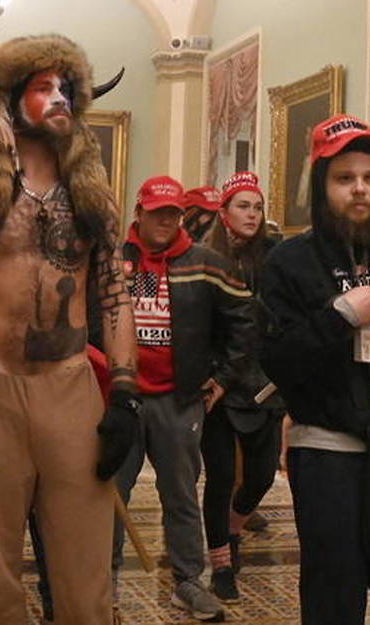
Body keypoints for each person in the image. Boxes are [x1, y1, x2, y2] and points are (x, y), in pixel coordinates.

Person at [0, 12, 137, 623]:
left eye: (67, 87)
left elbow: (114, 294)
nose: (59, 97)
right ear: (12, 101)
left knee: (84, 578)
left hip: (71, 388)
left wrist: (124, 396)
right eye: (44, 86)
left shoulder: (93, 196)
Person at [259, 114, 370, 625]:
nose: (359, 190)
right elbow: (277, 359)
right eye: (344, 179)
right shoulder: (288, 263)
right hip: (328, 456)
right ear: (322, 187)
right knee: (334, 596)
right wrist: (340, 317)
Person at [111, 174, 253, 622]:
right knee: (111, 495)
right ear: (139, 213)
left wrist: (224, 379)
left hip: (179, 400)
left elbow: (246, 324)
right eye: (157, 213)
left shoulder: (206, 264)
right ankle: (104, 582)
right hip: (122, 399)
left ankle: (189, 582)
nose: (165, 221)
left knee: (181, 495)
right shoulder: (113, 261)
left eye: (172, 212)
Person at [197, 171, 284, 602]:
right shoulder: (206, 256)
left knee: (262, 476)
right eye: (243, 206)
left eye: (257, 206)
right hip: (218, 383)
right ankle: (221, 563)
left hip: (266, 384)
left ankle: (233, 529)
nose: (252, 214)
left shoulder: (276, 255)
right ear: (224, 212)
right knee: (218, 478)